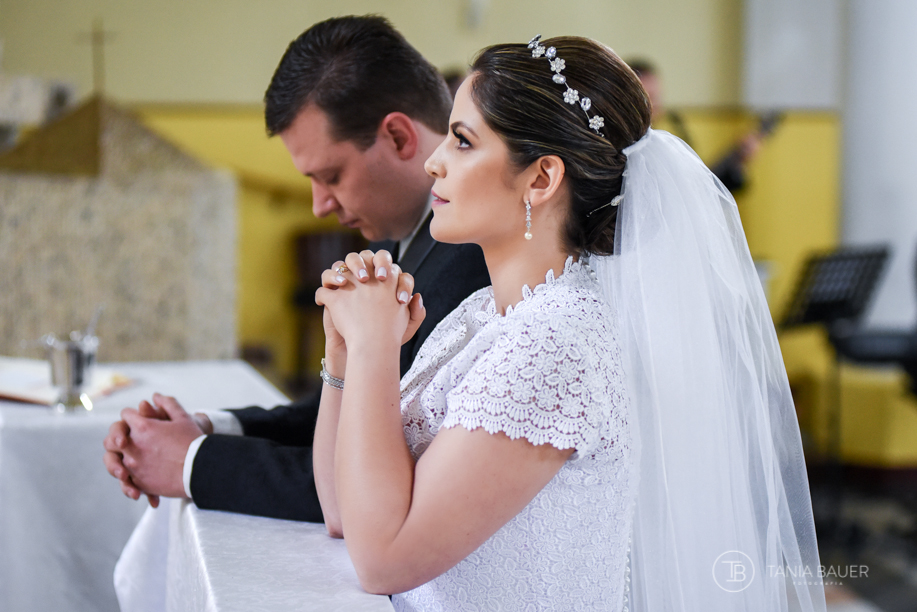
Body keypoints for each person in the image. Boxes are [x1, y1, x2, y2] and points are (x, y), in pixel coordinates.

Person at [312, 35, 826, 611]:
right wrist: (345, 354)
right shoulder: (483, 313)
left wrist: (377, 345)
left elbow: (384, 560)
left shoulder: (556, 344)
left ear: (540, 179)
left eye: (461, 142)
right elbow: (341, 511)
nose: (435, 161)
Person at [102, 15, 490, 521]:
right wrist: (207, 429)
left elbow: (378, 473)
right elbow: (346, 409)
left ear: (397, 137)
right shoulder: (410, 240)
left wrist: (192, 463)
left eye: (330, 176)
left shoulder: (471, 261)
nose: (319, 206)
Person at [628, 57, 769, 193]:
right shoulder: (620, 146)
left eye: (657, 97)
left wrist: (737, 162)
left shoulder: (672, 131)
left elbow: (698, 189)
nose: (656, 106)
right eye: (648, 98)